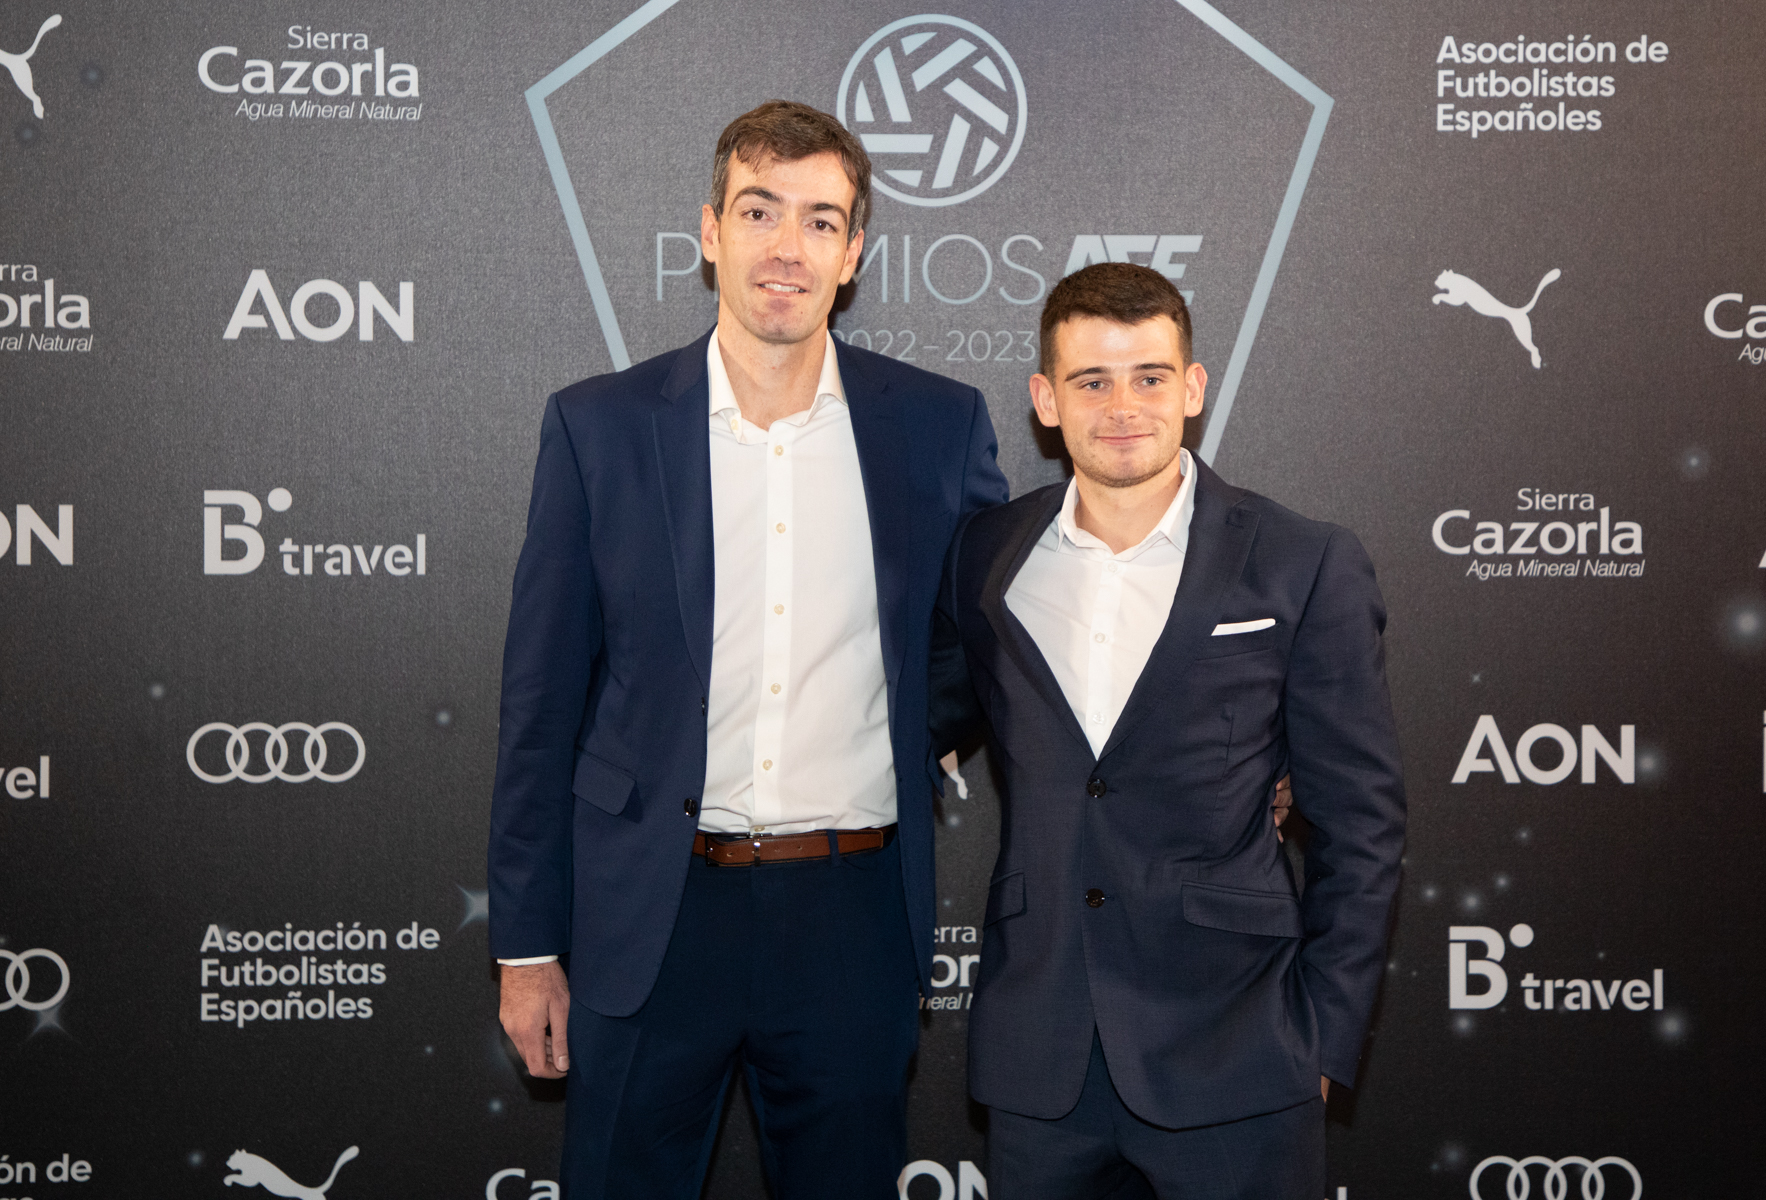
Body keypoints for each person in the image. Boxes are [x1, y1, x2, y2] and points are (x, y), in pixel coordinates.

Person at [487, 100, 1007, 1199]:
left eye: (821, 221)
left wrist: (912, 731)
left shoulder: (938, 424)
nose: (788, 248)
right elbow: (541, 705)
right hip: (653, 914)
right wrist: (527, 946)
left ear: (853, 253)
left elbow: (980, 640)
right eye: (760, 211)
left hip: (853, 917)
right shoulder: (599, 427)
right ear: (710, 230)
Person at [930, 263, 1406, 1199]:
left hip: (1239, 1050)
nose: (1122, 407)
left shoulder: (1302, 560)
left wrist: (1321, 1039)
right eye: (1091, 381)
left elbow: (1363, 824)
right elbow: (917, 714)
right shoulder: (986, 556)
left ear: (1192, 388)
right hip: (1042, 1057)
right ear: (1045, 401)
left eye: (1149, 377)